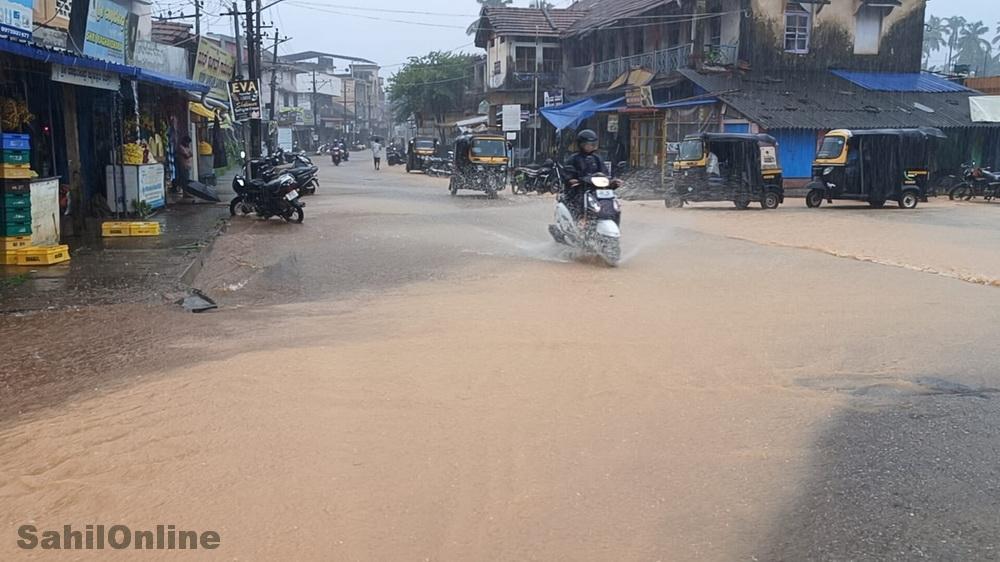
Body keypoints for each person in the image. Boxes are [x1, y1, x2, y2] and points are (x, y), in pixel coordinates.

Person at [564, 129, 608, 219]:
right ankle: (578, 220)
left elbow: (605, 172)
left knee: (609, 201)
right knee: (579, 201)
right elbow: (568, 174)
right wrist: (572, 179)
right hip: (579, 190)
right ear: (581, 144)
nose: (592, 146)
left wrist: (612, 180)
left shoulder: (597, 158)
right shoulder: (573, 159)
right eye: (589, 144)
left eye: (593, 144)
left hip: (595, 190)